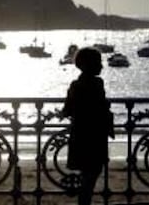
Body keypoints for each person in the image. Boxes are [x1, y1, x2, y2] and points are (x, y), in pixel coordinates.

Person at [62, 47, 115, 205]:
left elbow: (67, 110)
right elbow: (100, 108)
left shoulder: (75, 85)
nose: (102, 66)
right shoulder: (97, 83)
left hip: (80, 134)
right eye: (99, 62)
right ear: (90, 64)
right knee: (91, 174)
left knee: (87, 174)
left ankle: (84, 202)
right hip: (95, 135)